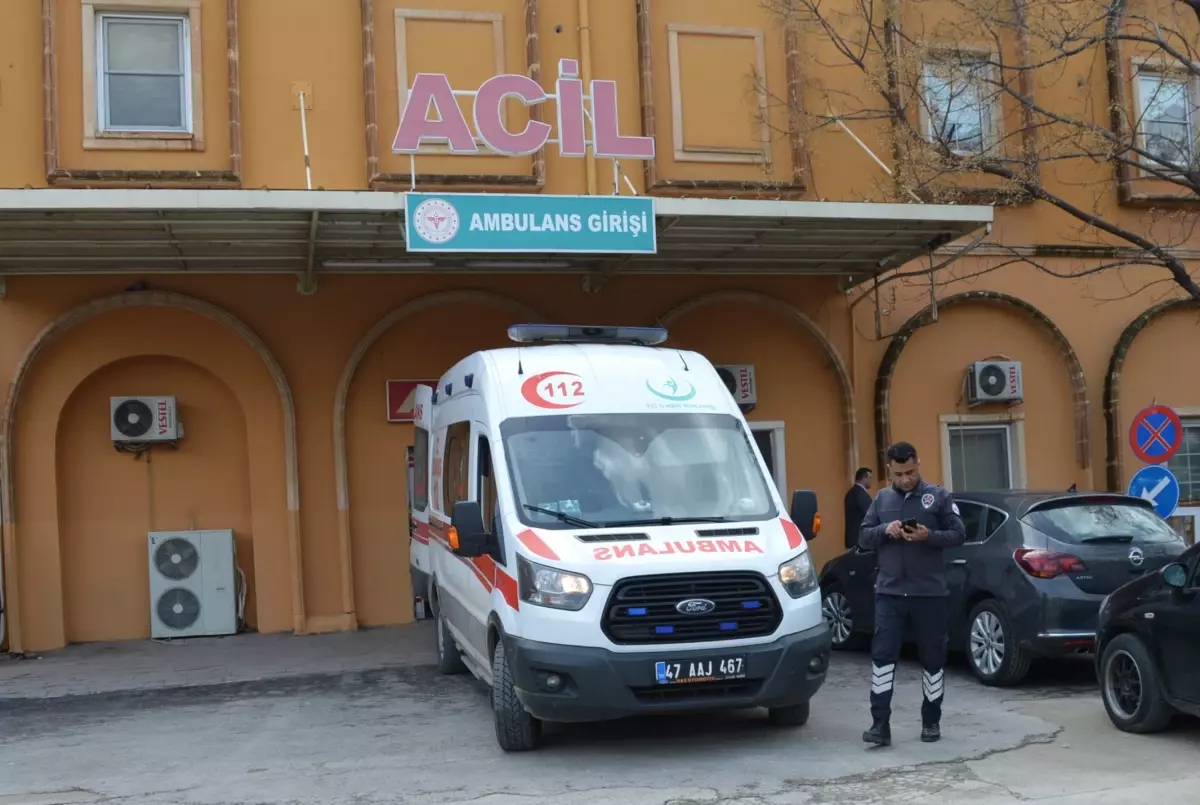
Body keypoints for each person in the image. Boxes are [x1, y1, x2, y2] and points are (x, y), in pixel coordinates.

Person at [858, 441, 965, 746]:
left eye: (910, 472)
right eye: (899, 474)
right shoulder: (881, 499)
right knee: (882, 658)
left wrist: (928, 535)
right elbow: (863, 537)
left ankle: (931, 722)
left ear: (918, 463)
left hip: (929, 594)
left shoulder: (939, 496)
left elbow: (959, 534)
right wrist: (884, 530)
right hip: (890, 593)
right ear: (889, 469)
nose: (905, 479)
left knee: (933, 658)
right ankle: (879, 725)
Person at [843, 467, 874, 551]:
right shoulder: (860, 494)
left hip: (853, 540)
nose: (871, 481)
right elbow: (871, 514)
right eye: (870, 478)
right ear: (864, 478)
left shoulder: (852, 492)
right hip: (859, 541)